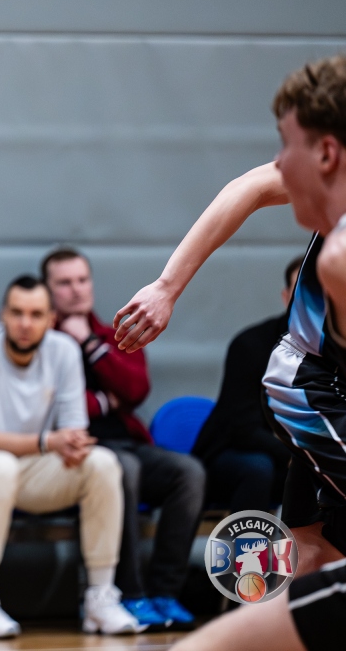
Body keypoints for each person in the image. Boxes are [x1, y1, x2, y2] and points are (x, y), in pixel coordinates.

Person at [113, 55, 346, 651]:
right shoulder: (337, 255)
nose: (277, 164)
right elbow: (247, 187)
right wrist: (166, 287)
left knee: (310, 549)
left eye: (285, 145)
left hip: (320, 387)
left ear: (326, 153)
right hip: (314, 386)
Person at [0, 275, 140, 638]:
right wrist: (48, 442)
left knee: (102, 463)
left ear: (51, 319)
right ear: (3, 315)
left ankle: (100, 597)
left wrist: (65, 444)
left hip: (24, 465)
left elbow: (73, 434)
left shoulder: (64, 351)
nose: (25, 323)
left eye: (36, 314)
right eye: (17, 313)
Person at [41, 246, 205, 630]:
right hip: (73, 453)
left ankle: (165, 593)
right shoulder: (42, 341)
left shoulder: (112, 331)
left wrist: (90, 345)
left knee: (188, 473)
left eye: (82, 280)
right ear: (48, 291)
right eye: (64, 283)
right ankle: (128, 593)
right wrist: (104, 401)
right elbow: (48, 403)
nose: (76, 290)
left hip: (127, 441)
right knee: (122, 469)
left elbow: (135, 389)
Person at [191, 257, 300, 513]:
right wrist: (298, 457)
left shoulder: (335, 349)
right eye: (302, 292)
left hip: (300, 459)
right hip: (235, 453)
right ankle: (249, 541)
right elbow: (242, 428)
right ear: (286, 298)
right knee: (259, 468)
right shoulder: (251, 345)